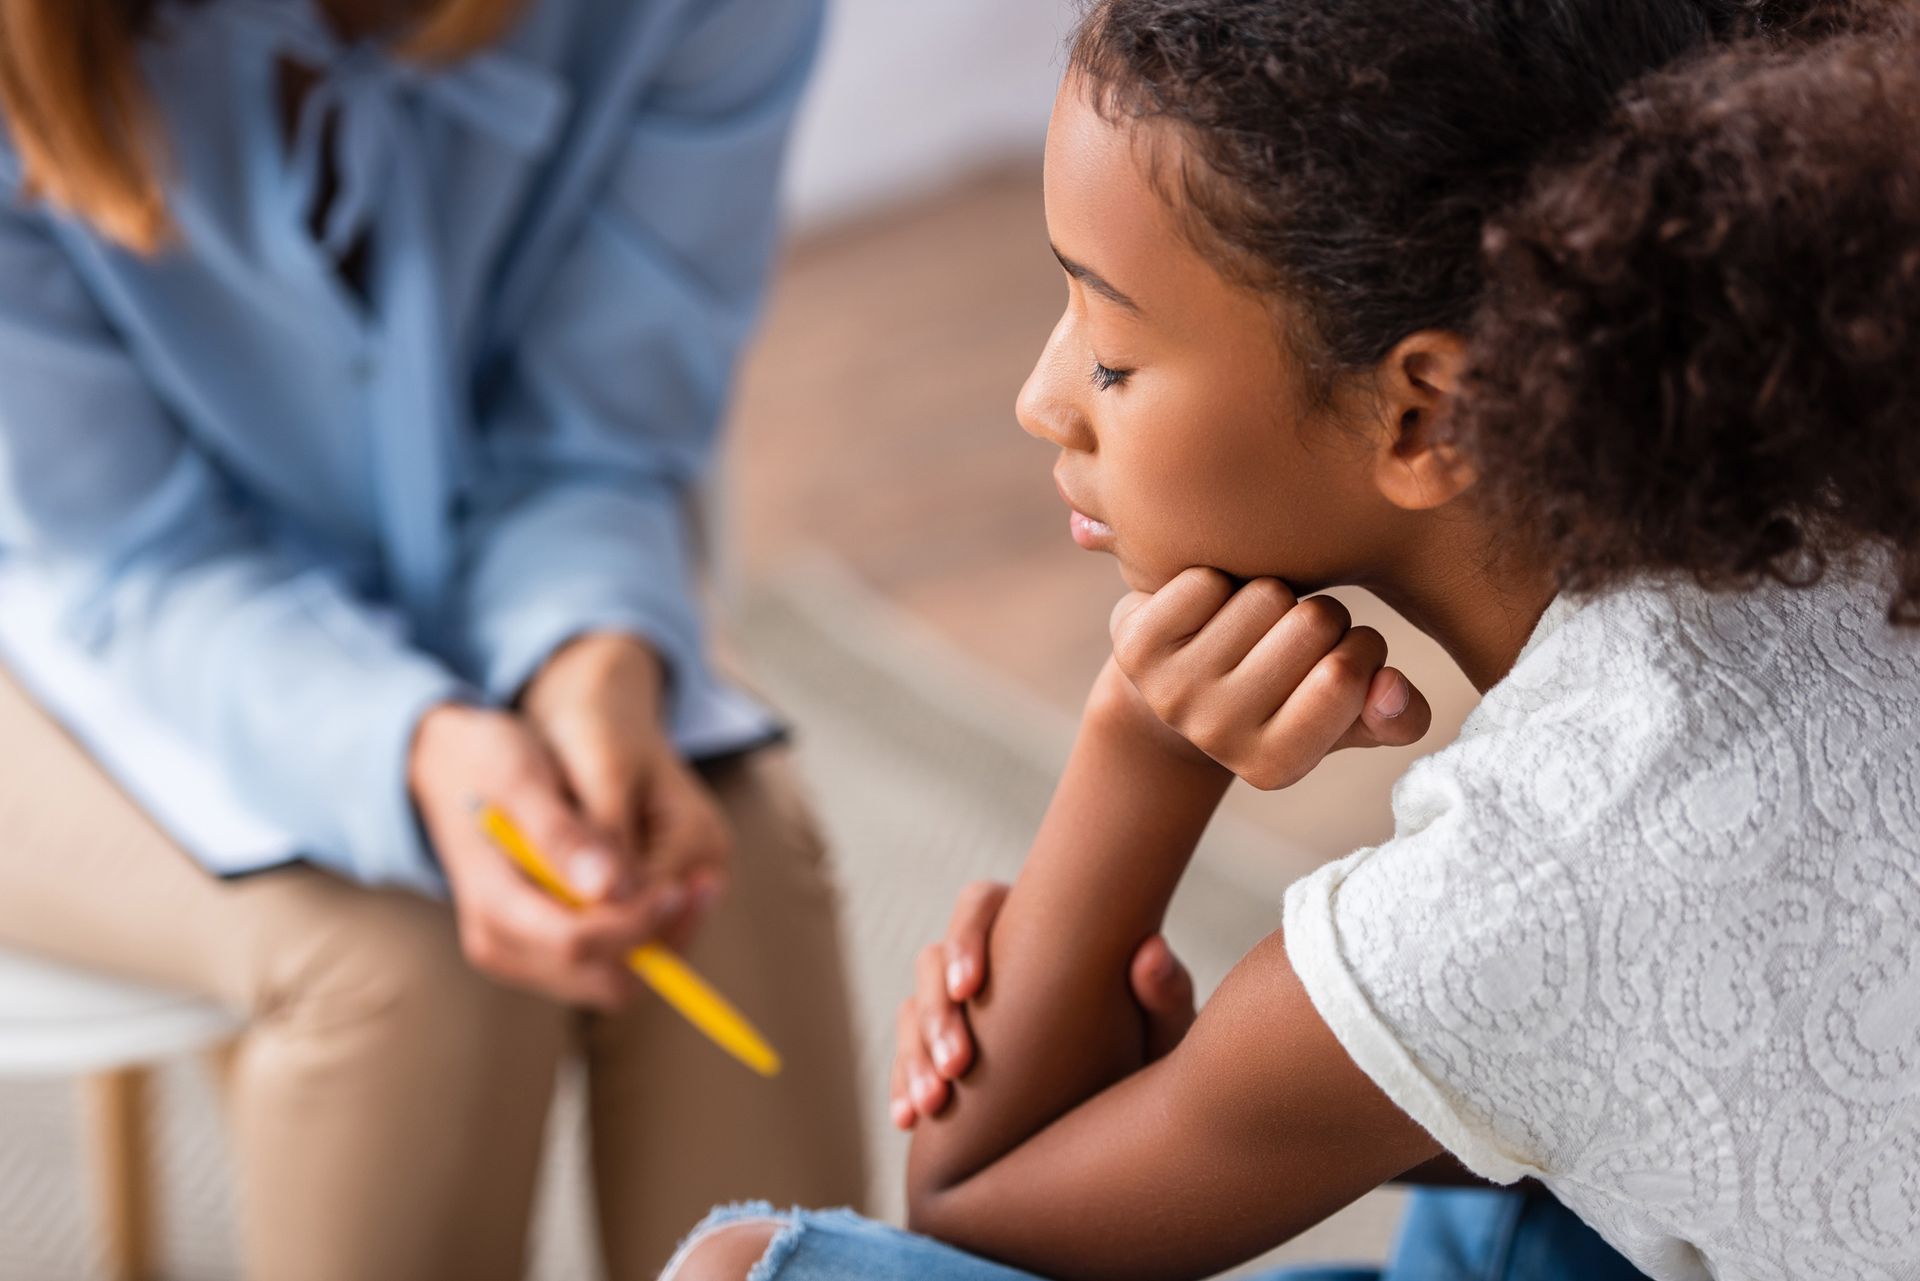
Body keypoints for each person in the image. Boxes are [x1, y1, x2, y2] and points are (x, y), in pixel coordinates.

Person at [667, 1, 1920, 1278]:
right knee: (1515, 1171)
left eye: (1108, 352)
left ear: (1427, 417)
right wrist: (1239, 1086)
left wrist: (1140, 751)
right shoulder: (1850, 496)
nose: (1041, 400)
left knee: (748, 1270)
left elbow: (970, 1207)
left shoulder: (1535, 872)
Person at [0, 1, 864, 1277]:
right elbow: (126, 553)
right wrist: (405, 748)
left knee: (722, 869)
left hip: (450, 564)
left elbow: (599, 437)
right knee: (403, 975)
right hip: (61, 601)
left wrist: (589, 659)